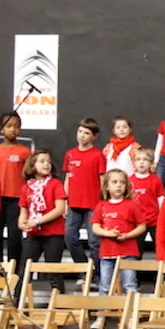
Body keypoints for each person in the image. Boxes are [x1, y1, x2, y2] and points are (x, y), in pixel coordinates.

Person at [17, 150, 69, 292]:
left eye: (48, 162)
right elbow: (23, 211)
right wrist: (22, 224)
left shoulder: (55, 184)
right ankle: (17, 301)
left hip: (53, 235)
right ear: (32, 166)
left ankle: (60, 301)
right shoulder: (26, 187)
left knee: (53, 272)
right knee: (24, 271)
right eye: (42, 161)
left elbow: (59, 209)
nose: (46, 164)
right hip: (33, 235)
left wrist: (37, 221)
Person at [92, 169, 146, 297]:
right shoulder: (101, 206)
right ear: (106, 187)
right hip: (107, 253)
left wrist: (127, 235)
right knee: (105, 286)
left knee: (130, 285)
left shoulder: (132, 205)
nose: (118, 185)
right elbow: (95, 227)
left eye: (122, 182)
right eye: (114, 182)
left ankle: (131, 309)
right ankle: (103, 309)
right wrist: (108, 233)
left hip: (128, 252)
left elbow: (142, 226)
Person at [63, 117, 104, 273]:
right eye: (80, 131)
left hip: (93, 205)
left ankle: (98, 276)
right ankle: (85, 270)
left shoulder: (98, 155)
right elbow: (68, 178)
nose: (82, 135)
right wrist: (65, 202)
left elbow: (102, 180)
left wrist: (102, 203)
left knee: (94, 242)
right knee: (69, 237)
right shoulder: (70, 154)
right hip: (73, 204)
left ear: (94, 137)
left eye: (86, 133)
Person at [0, 112, 30, 266]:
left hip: (17, 200)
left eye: (16, 126)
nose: (13, 129)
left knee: (14, 237)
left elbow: (29, 176)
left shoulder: (25, 152)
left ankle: (15, 270)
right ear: (1, 129)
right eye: (9, 126)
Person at [130, 148, 165, 253]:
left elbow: (160, 199)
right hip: (137, 222)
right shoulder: (129, 181)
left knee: (159, 247)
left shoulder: (155, 180)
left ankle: (161, 263)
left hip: (154, 220)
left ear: (151, 163)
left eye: (145, 159)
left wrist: (162, 216)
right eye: (138, 159)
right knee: (136, 249)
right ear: (134, 162)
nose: (141, 162)